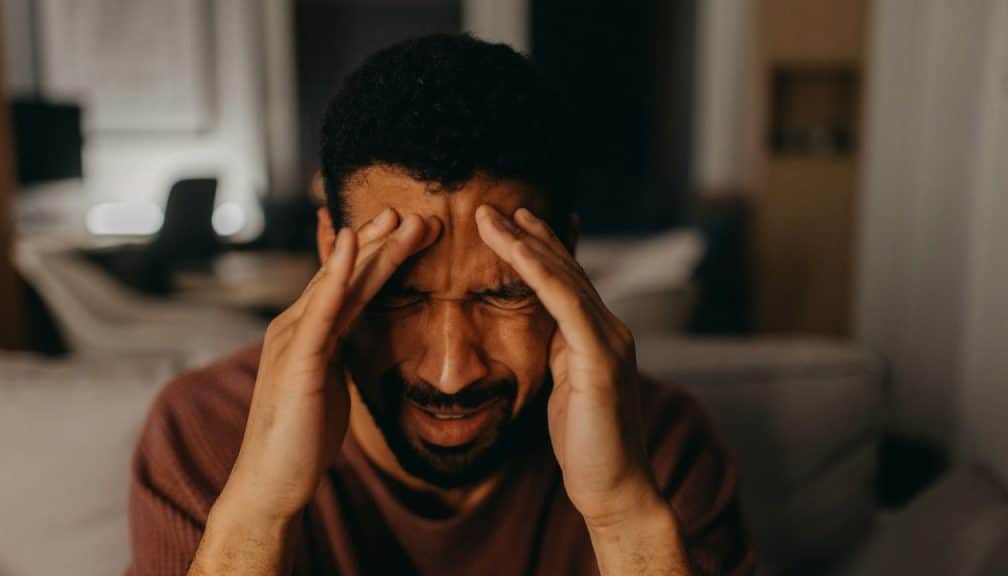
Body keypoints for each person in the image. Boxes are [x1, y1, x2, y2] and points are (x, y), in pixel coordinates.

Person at [128, 34, 753, 575]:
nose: (451, 371)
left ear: (565, 258)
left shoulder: (664, 445)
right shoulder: (201, 433)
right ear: (330, 249)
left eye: (503, 294)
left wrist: (622, 512)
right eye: (398, 295)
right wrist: (259, 509)